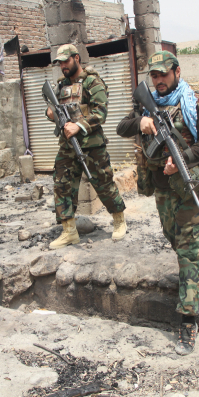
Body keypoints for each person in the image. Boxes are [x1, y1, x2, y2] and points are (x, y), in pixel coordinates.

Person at [116, 51, 199, 356]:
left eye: (163, 74)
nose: (158, 80)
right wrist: (142, 123)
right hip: (161, 188)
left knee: (186, 251)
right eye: (154, 76)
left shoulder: (198, 103)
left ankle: (187, 322)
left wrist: (179, 159)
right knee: (174, 237)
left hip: (188, 187)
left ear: (177, 71)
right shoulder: (144, 106)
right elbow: (121, 127)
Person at [45, 44, 126, 249]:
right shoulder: (61, 85)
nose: (63, 65)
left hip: (92, 145)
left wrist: (79, 126)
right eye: (60, 62)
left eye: (66, 61)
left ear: (77, 59)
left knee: (103, 182)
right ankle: (69, 231)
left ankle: (119, 220)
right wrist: (51, 114)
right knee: (62, 185)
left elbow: (101, 113)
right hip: (67, 145)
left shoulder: (92, 81)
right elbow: (53, 110)